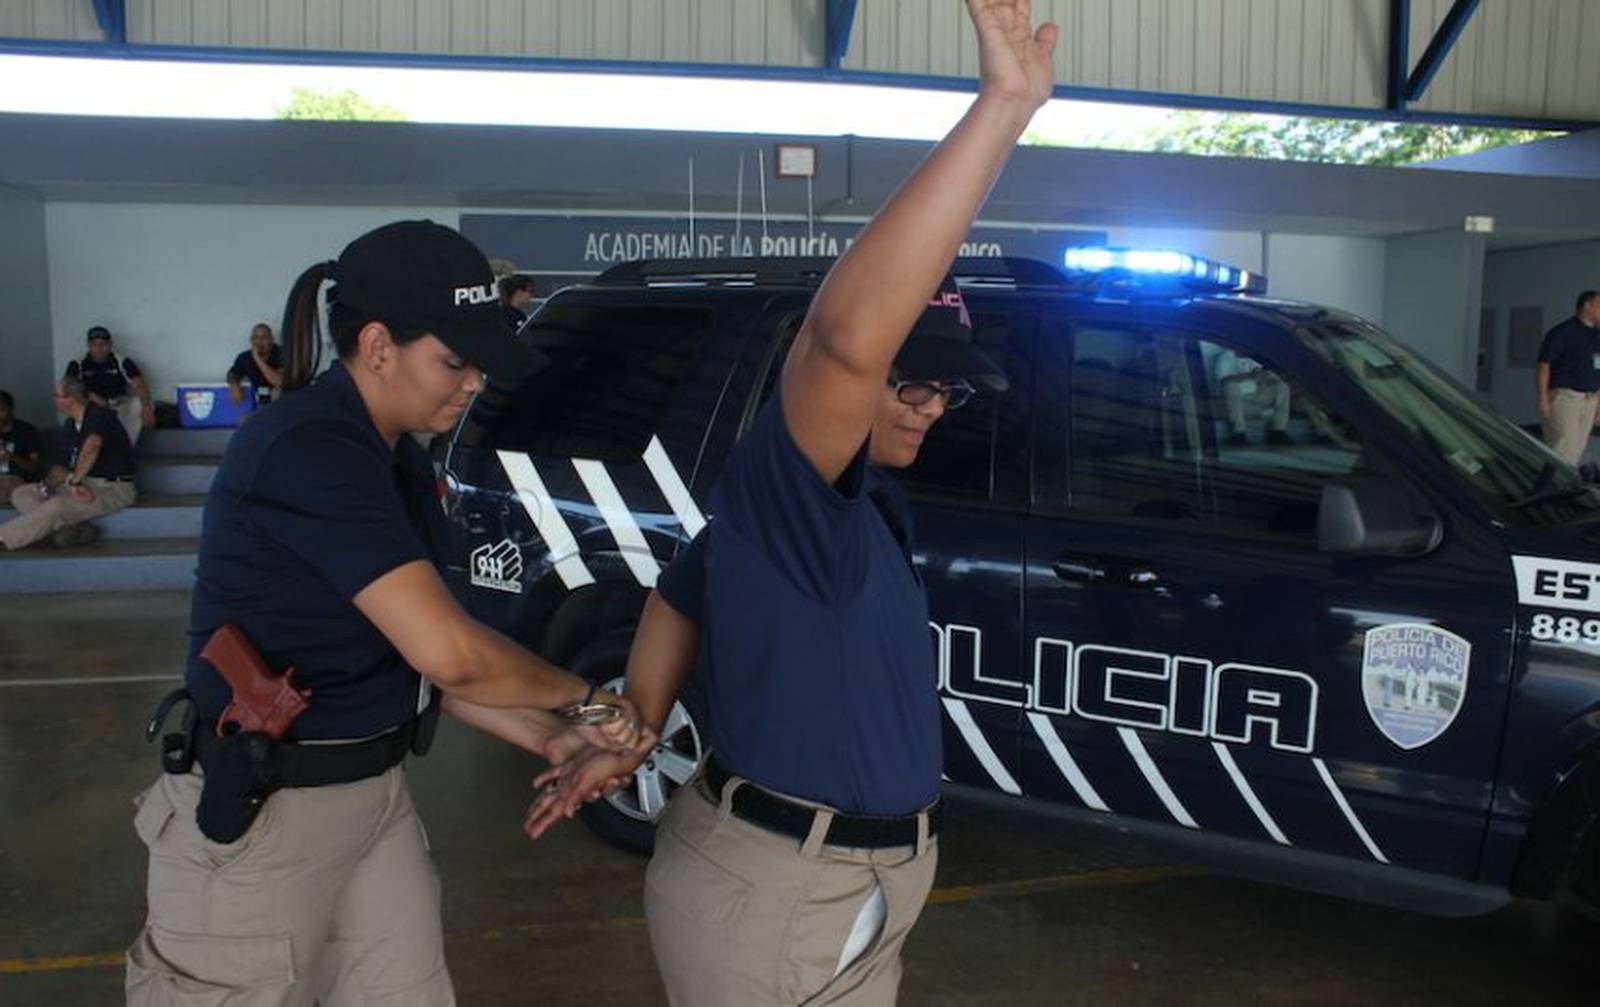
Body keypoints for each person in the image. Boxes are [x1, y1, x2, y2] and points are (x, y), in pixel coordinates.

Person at [527, 4, 1057, 1004]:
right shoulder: (791, 488)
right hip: (786, 884)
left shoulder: (836, 513)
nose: (930, 405)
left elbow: (683, 590)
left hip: (837, 883)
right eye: (909, 381)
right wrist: (1003, 108)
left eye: (947, 389)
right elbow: (843, 342)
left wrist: (639, 712)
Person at [124, 220, 655, 1005]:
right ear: (377, 344)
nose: (474, 381)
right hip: (268, 817)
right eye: (455, 360)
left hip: (372, 798)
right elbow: (452, 653)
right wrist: (594, 703)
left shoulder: (396, 460)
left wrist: (552, 736)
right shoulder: (309, 449)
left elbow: (416, 665)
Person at [0, 376, 136, 550]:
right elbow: (61, 466)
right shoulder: (71, 424)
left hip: (112, 487)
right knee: (22, 493)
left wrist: (75, 481)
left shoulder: (100, 415)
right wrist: (46, 487)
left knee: (57, 506)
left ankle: (3, 537)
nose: (54, 399)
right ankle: (68, 532)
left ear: (70, 399)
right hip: (79, 483)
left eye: (56, 395)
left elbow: (92, 445)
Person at [1535, 290, 1600, 465]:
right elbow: (1544, 365)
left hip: (1590, 401)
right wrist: (1542, 397)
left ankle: (1562, 486)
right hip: (1565, 399)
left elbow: (1598, 368)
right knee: (1563, 448)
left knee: (1577, 449)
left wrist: (1598, 401)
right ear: (1587, 305)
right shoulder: (1562, 332)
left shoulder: (1597, 336)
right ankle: (1551, 488)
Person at [65, 324, 153, 445]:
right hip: (91, 407)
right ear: (89, 345)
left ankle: (125, 447)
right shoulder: (78, 364)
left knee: (138, 403)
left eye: (103, 344)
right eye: (95, 345)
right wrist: (91, 397)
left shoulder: (122, 361)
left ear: (110, 344)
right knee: (75, 404)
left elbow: (139, 384)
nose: (99, 348)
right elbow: (67, 388)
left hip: (117, 405)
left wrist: (147, 407)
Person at [1214, 346, 1290, 446]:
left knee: (1282, 386)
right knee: (1229, 386)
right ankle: (1239, 433)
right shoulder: (1226, 357)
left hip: (1258, 400)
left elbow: (1272, 378)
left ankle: (1278, 431)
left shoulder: (1255, 357)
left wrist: (1264, 378)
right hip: (1237, 405)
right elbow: (1224, 381)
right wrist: (1249, 376)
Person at [227, 322, 285, 405]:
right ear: (251, 340)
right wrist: (234, 384)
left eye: (264, 337)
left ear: (272, 339)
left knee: (277, 392)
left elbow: (279, 381)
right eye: (255, 338)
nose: (259, 341)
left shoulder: (281, 353)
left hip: (282, 400)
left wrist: (257, 358)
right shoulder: (244, 357)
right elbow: (232, 373)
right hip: (258, 398)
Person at [0, 389, 43, 499]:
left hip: (18, 480)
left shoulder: (26, 431)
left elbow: (35, 467)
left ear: (11, 409)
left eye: (1, 410)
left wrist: (12, 457)